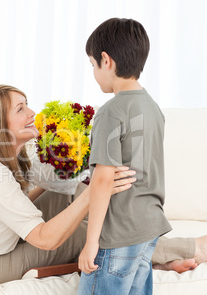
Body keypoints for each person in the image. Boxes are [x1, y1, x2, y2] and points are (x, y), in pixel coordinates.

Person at [0, 84, 205, 284]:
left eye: (27, 104)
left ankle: (140, 254)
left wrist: (72, 182)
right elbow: (47, 239)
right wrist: (98, 187)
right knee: (82, 234)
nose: (32, 113)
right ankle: (190, 248)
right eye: (20, 109)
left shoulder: (8, 158)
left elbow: (14, 207)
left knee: (66, 193)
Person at [77, 18, 169, 295]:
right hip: (148, 227)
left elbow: (103, 180)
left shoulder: (110, 112)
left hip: (118, 235)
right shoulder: (152, 107)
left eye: (93, 64)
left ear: (106, 60)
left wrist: (92, 242)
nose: (94, 71)